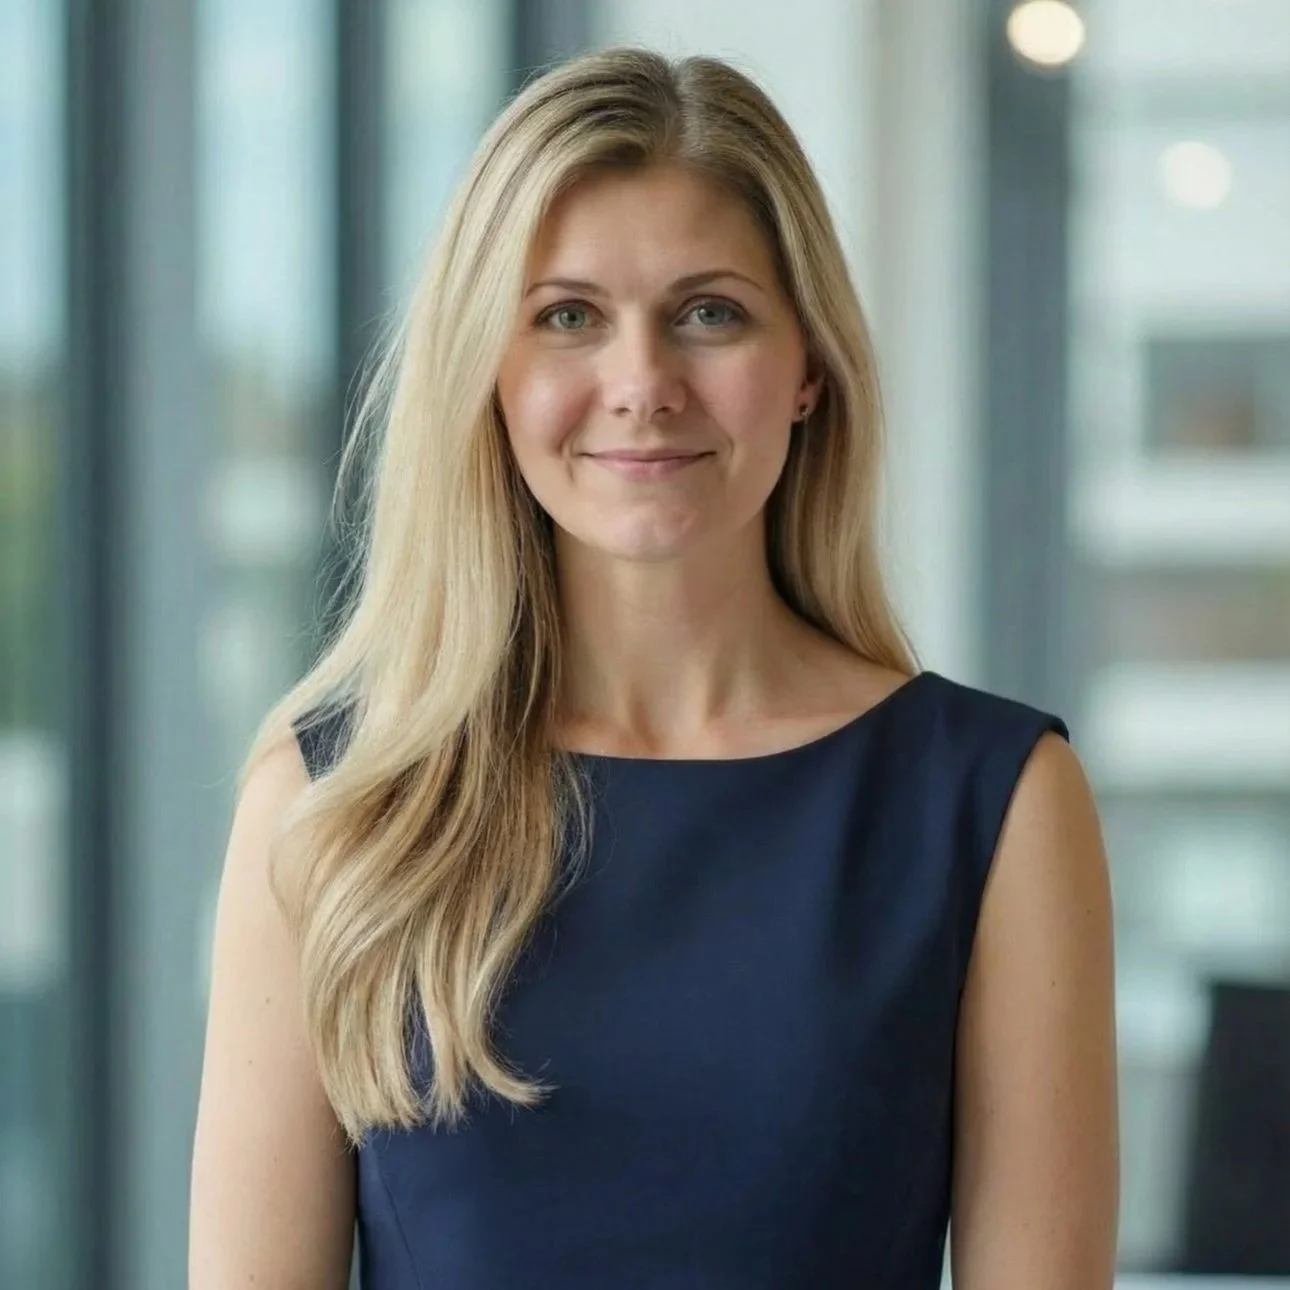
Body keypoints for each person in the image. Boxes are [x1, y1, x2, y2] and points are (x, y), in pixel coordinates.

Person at [189, 46, 1119, 1290]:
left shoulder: (995, 803)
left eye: (709, 313)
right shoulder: (333, 808)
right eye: (569, 316)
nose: (642, 385)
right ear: (490, 374)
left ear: (806, 372)